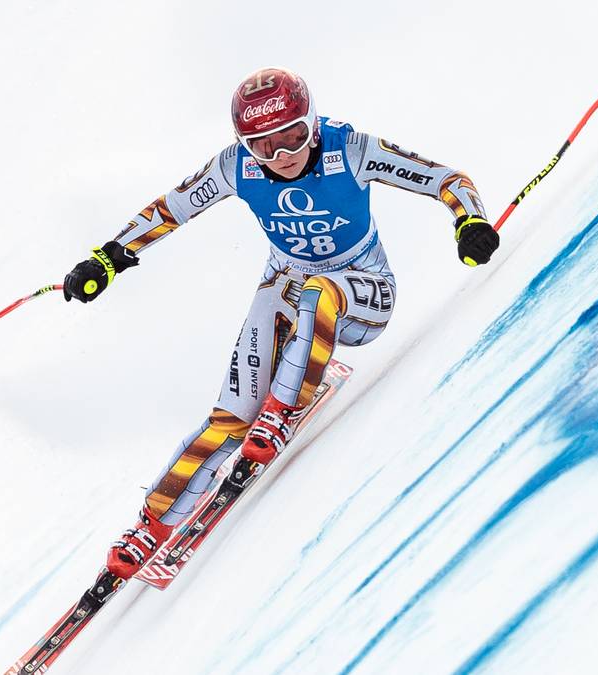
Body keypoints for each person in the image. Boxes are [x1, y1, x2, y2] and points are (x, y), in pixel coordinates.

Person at [61, 67, 500, 579]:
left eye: (293, 136)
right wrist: (110, 258)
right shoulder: (236, 169)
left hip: (363, 293)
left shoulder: (351, 149)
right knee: (232, 414)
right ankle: (152, 524)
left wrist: (469, 221)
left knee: (319, 292)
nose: (282, 155)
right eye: (263, 146)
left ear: (313, 123)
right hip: (286, 288)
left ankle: (283, 407)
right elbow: (171, 209)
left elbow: (447, 180)